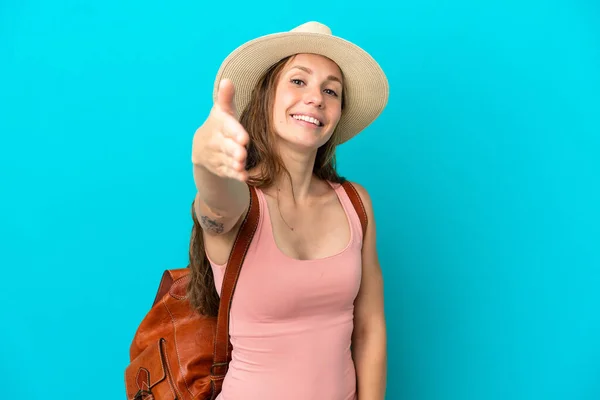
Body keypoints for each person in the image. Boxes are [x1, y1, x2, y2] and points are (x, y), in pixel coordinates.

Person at [189, 21, 389, 400]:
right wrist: (205, 162)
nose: (316, 98)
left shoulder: (355, 204)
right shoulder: (241, 203)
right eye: (298, 81)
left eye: (331, 90)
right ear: (266, 96)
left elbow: (369, 327)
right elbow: (214, 203)